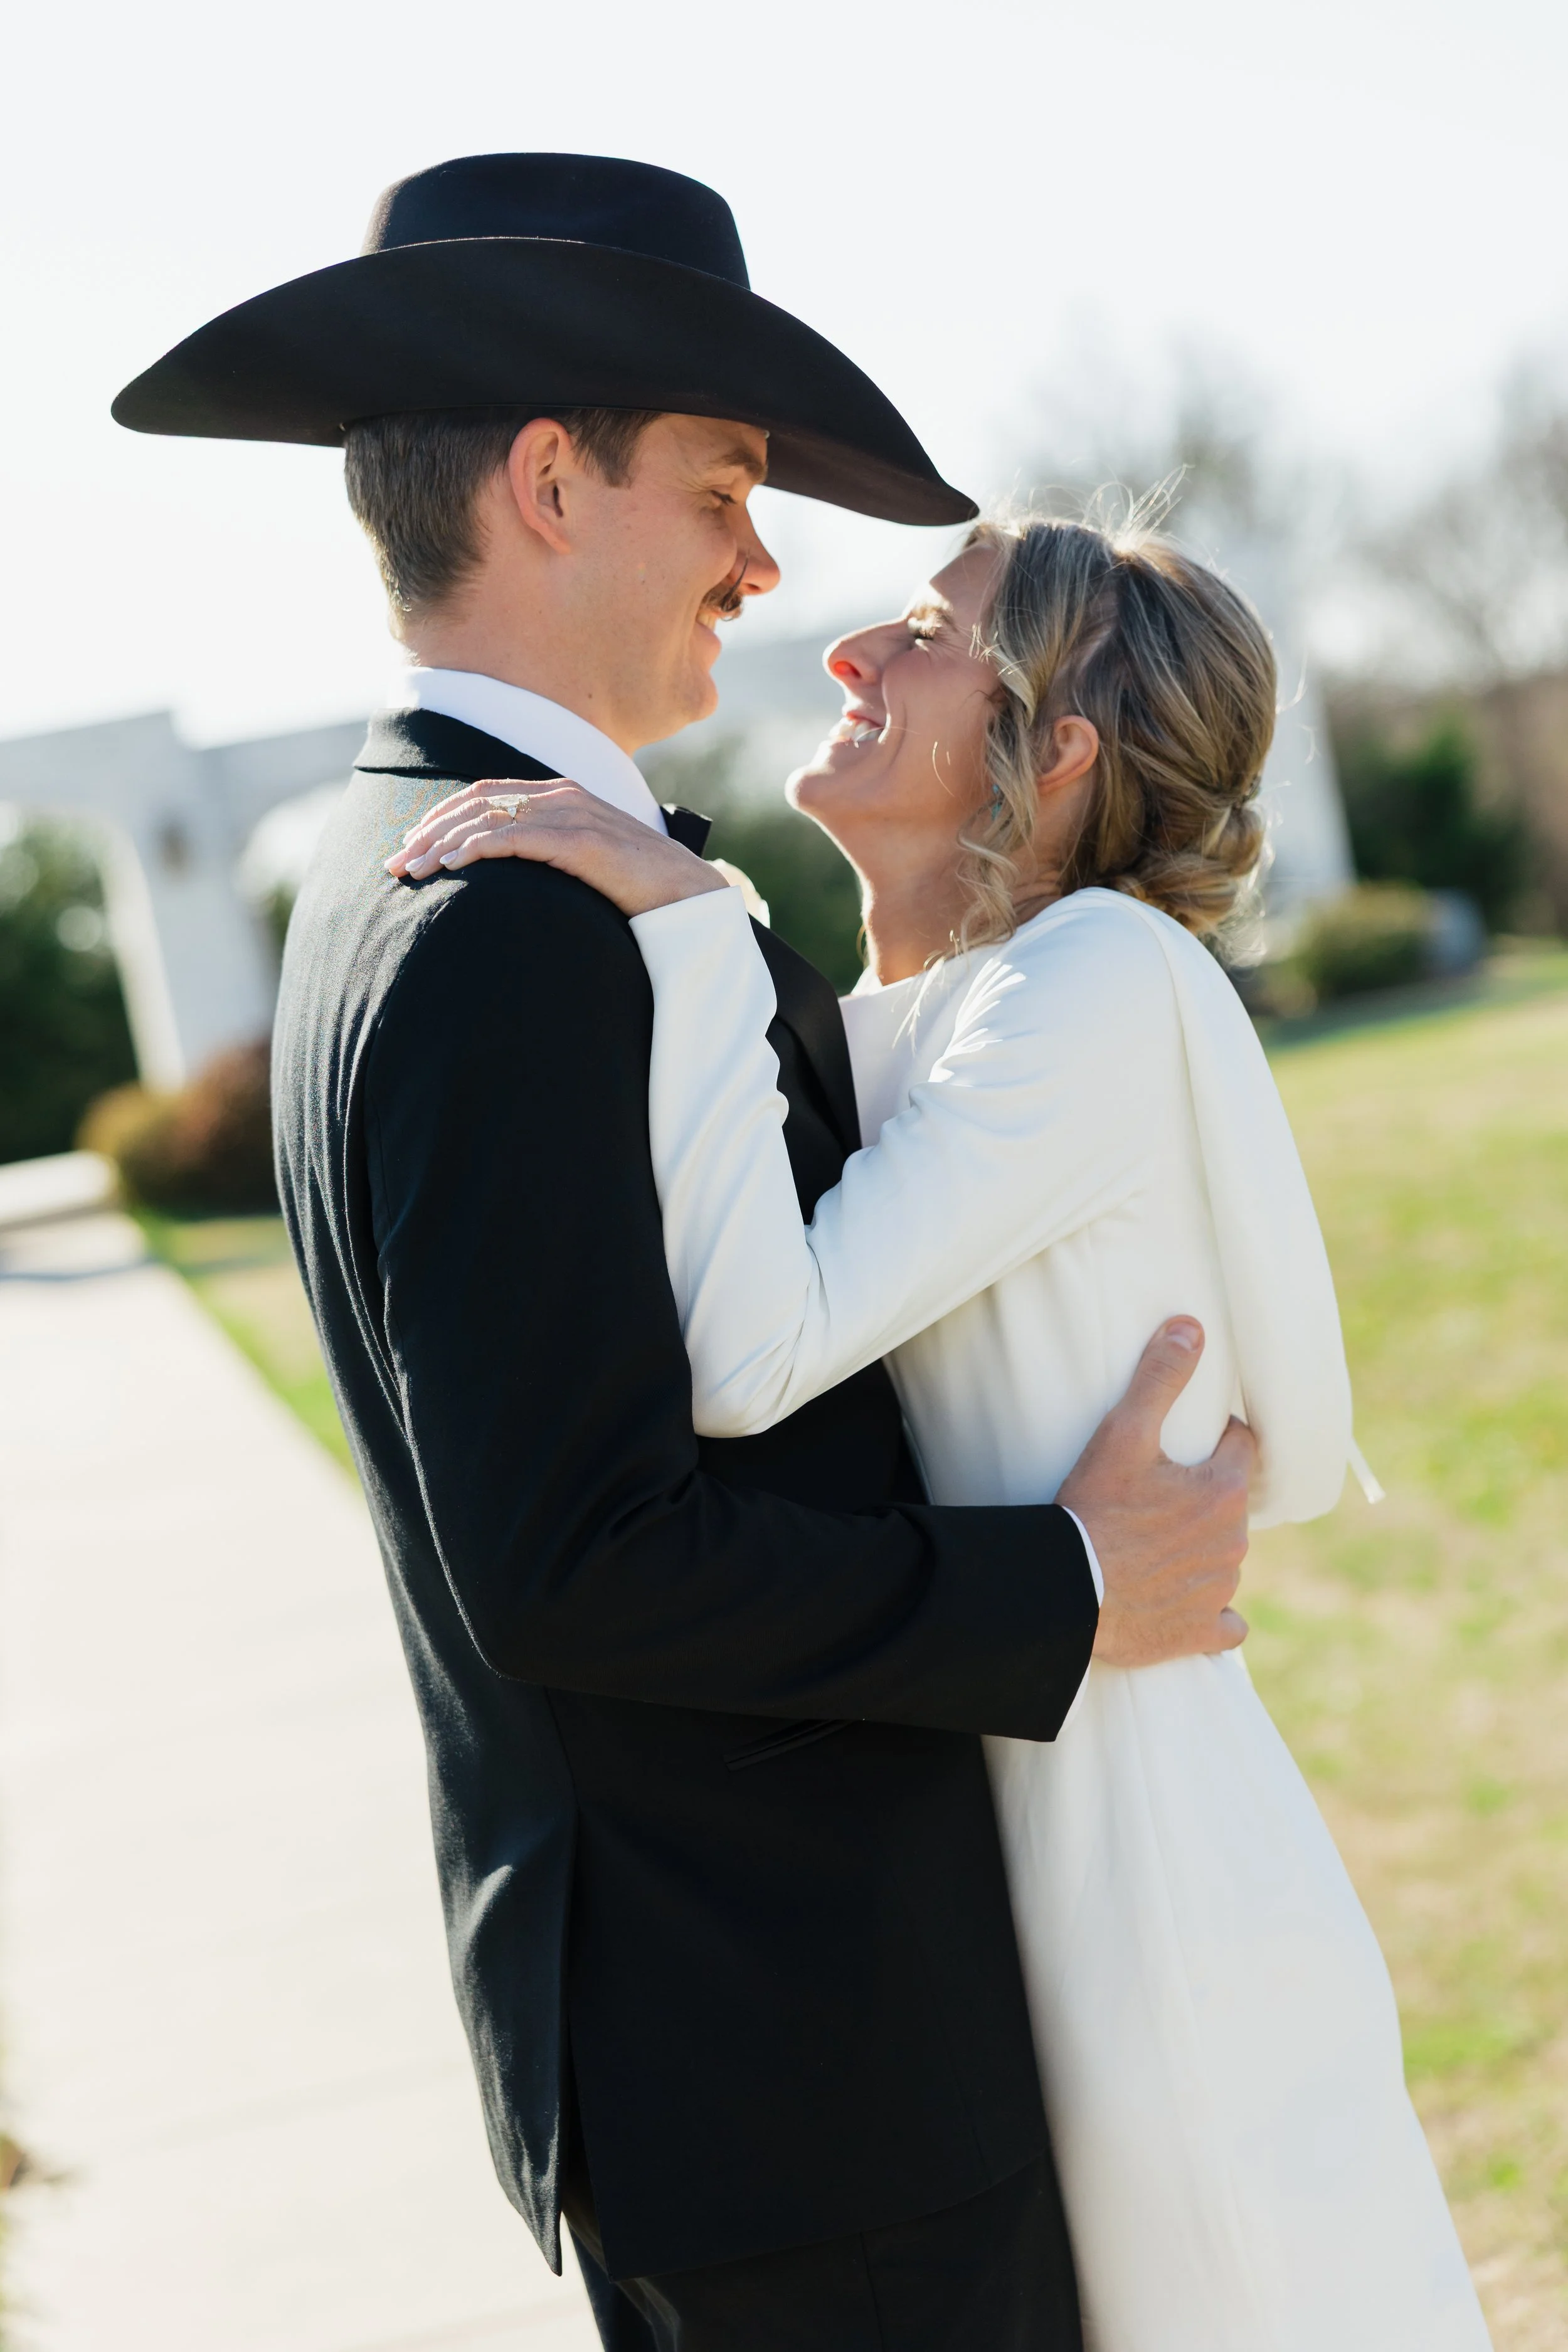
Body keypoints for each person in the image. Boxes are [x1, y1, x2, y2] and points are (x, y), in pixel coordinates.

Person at [115, 155, 1254, 2352]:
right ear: (549, 482)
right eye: (723, 483)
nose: (762, 559)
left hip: (743, 2069)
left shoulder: (425, 878)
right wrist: (1079, 1581)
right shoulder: (503, 928)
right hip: (792, 2077)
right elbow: (577, 1554)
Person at [395, 511, 1495, 2350]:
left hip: (1142, 1876)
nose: (848, 656)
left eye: (923, 633)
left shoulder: (1090, 985)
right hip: (987, 1854)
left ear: (1050, 750)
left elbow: (761, 1353)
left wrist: (681, 920)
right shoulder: (914, 1015)